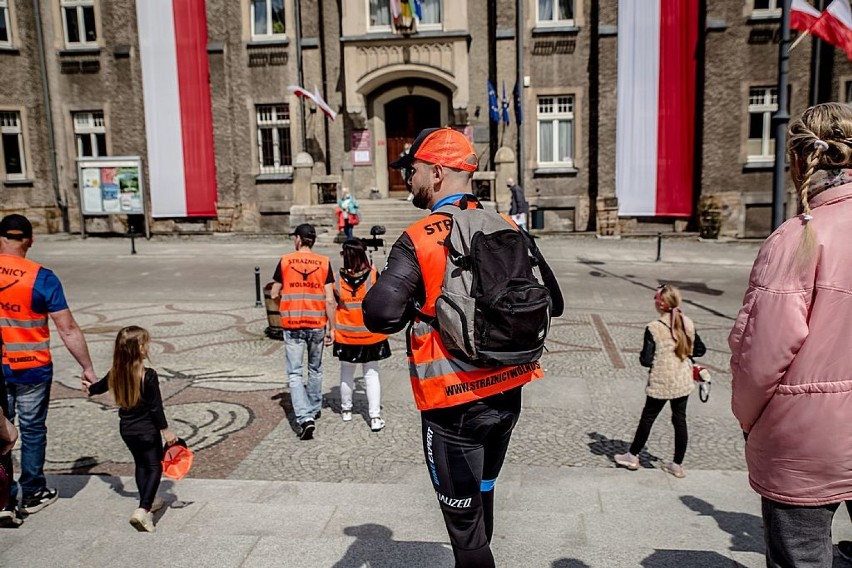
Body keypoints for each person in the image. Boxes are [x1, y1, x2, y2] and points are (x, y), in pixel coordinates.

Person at [363, 127, 563, 567]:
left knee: (467, 539)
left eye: (412, 170)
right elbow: (547, 298)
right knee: (484, 493)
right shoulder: (507, 224)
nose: (408, 179)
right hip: (509, 392)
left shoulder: (418, 236)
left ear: (436, 172)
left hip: (452, 405)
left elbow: (378, 316)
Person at [729, 102, 852, 567]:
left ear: (800, 159)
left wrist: (749, 419)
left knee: (801, 557)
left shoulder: (798, 236)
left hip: (805, 440)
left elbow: (761, 353)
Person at [0, 214, 97, 515]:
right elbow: (67, 328)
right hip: (32, 367)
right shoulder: (42, 277)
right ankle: (32, 492)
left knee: (0, 431)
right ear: (30, 240)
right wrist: (87, 368)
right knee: (31, 430)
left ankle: (3, 496)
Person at [85, 326, 177, 533]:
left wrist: (89, 388)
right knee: (154, 466)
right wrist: (166, 430)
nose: (148, 348)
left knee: (140, 465)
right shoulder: (148, 375)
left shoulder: (115, 372)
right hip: (147, 430)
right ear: (139, 349)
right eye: (146, 344)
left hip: (127, 429)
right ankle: (144, 510)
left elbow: (97, 387)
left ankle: (149, 500)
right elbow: (155, 407)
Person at [613, 284, 706, 478]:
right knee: (680, 420)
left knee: (648, 418)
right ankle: (677, 465)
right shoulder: (687, 322)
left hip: (662, 381)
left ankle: (632, 456)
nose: (654, 301)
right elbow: (699, 350)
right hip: (682, 379)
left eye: (656, 298)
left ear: (661, 304)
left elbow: (646, 360)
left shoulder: (654, 328)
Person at [270, 223, 335, 440]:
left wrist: (285, 302)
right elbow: (329, 299)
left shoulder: (286, 260)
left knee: (295, 374)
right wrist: (332, 328)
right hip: (317, 323)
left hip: (293, 324)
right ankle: (314, 408)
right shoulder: (324, 262)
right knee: (315, 369)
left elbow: (274, 293)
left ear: (298, 239)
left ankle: (305, 418)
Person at [332, 239, 390, 432]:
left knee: (346, 372)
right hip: (370, 334)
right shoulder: (373, 275)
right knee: (371, 375)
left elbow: (333, 303)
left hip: (346, 334)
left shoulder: (337, 279)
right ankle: (375, 417)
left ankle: (346, 410)